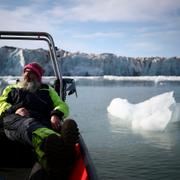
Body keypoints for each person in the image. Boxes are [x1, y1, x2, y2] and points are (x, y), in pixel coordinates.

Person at [0, 62, 79, 179]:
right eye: (26, 73)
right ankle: (61, 147)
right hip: (15, 119)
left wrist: (56, 114)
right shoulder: (11, 89)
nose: (28, 76)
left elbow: (61, 105)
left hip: (42, 120)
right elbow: (1, 103)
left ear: (38, 77)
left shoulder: (48, 90)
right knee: (28, 125)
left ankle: (53, 157)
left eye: (32, 74)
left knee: (40, 126)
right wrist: (14, 109)